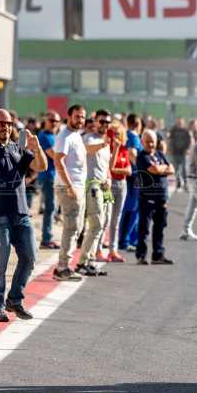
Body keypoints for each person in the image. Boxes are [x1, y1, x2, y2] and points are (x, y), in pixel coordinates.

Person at [0, 109, 47, 321]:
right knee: (0, 265)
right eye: (0, 123)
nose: (5, 127)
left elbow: (41, 166)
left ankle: (14, 299)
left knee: (30, 257)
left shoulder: (17, 148)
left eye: (8, 123)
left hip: (22, 214)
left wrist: (37, 149)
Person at [76, 110, 114, 277]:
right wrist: (103, 145)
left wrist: (109, 179)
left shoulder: (104, 142)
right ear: (95, 122)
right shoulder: (89, 138)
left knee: (101, 225)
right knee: (95, 224)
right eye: (102, 121)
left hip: (104, 186)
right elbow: (86, 150)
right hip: (92, 186)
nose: (105, 125)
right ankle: (82, 262)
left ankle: (89, 260)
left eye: (107, 122)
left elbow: (106, 167)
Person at [53, 105, 87, 281]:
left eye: (82, 117)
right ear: (69, 116)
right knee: (71, 226)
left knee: (77, 227)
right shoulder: (64, 136)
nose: (80, 120)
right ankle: (62, 268)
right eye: (77, 116)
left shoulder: (76, 135)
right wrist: (69, 186)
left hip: (78, 186)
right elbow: (58, 161)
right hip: (68, 188)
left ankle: (66, 265)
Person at [135, 129, 175, 265]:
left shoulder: (160, 154)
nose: (150, 144)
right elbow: (154, 170)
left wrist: (161, 168)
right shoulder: (142, 156)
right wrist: (163, 169)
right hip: (147, 198)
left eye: (152, 141)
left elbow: (172, 169)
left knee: (160, 228)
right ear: (142, 142)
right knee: (144, 228)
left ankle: (158, 255)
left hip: (161, 198)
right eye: (147, 141)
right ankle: (141, 256)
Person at [106, 120, 131, 262]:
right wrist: (114, 149)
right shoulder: (108, 148)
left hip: (122, 184)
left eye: (118, 134)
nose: (116, 136)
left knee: (116, 219)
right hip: (110, 184)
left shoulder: (124, 150)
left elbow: (129, 170)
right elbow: (109, 167)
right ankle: (98, 250)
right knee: (107, 218)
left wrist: (117, 170)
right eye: (114, 133)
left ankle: (113, 250)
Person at [118, 114, 143, 251]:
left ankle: (131, 239)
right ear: (137, 123)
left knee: (133, 208)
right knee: (132, 208)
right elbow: (132, 154)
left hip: (131, 175)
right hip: (134, 175)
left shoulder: (127, 135)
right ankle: (125, 240)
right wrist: (142, 169)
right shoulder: (133, 136)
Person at [38, 112, 62, 249]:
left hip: (54, 176)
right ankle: (46, 239)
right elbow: (53, 155)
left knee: (52, 208)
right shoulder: (45, 136)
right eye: (51, 120)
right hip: (48, 177)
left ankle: (48, 237)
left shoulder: (54, 136)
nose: (54, 123)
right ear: (46, 121)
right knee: (50, 208)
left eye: (56, 120)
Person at [168, 117, 192, 190]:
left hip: (183, 153)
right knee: (175, 169)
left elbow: (189, 141)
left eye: (181, 122)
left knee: (184, 169)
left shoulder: (186, 131)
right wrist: (169, 148)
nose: (179, 123)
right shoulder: (173, 130)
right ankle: (178, 182)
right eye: (178, 122)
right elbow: (170, 139)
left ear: (183, 123)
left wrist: (187, 149)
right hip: (175, 152)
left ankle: (186, 184)